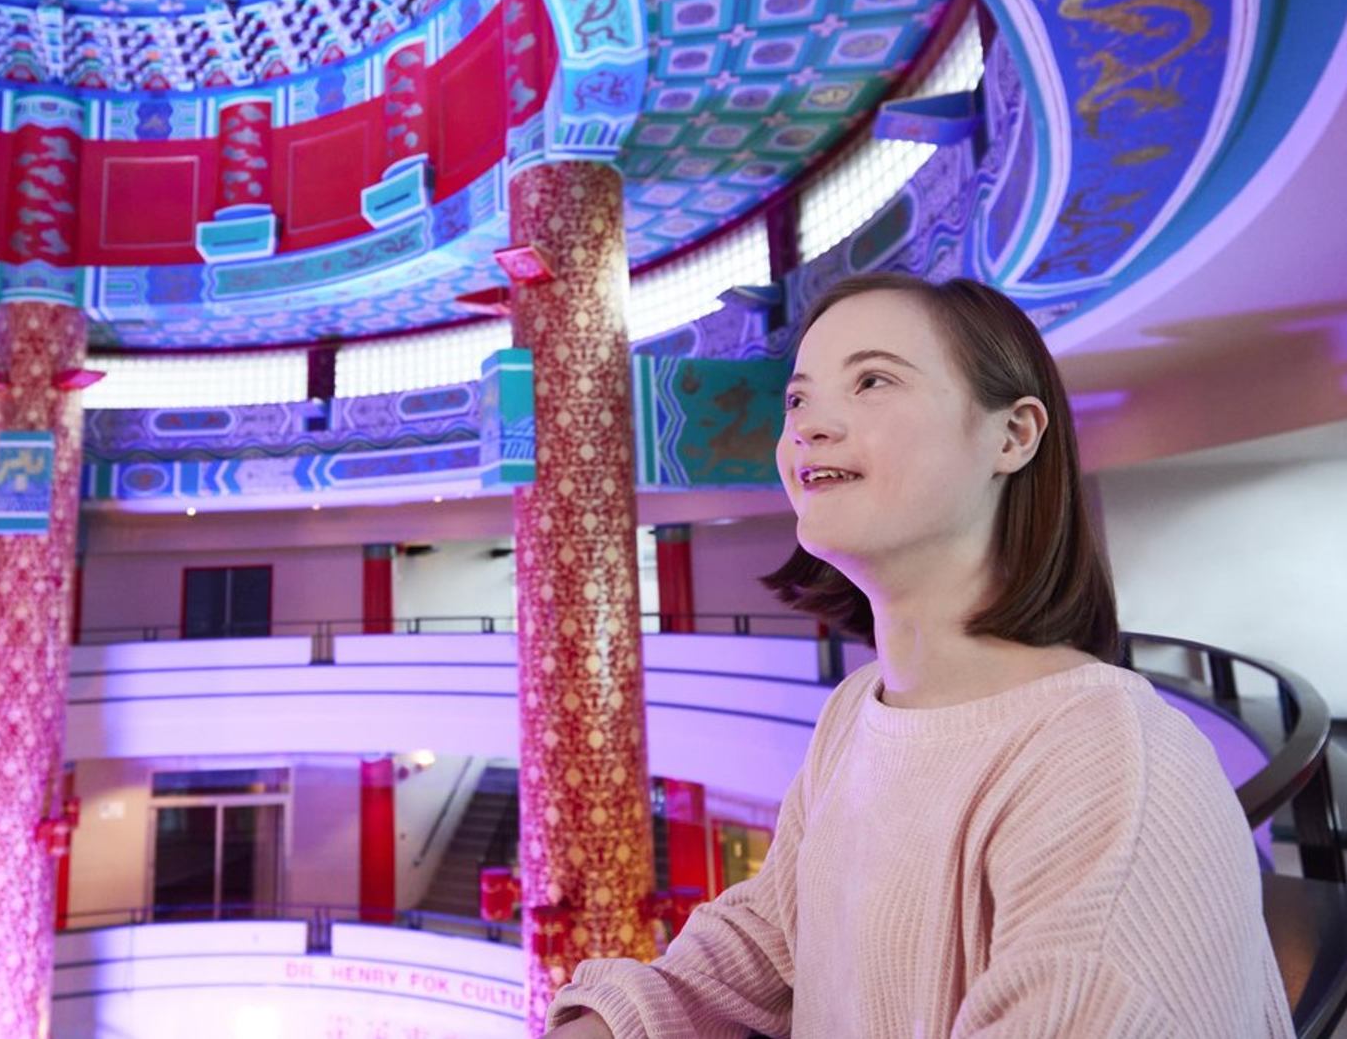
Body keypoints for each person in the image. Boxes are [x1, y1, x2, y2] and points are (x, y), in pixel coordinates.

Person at [543, 273, 1294, 1038]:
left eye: (872, 381)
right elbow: (777, 935)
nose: (807, 426)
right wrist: (610, 1024)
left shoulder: (1111, 767)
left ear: (1013, 435)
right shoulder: (857, 709)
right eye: (797, 399)